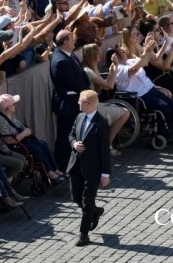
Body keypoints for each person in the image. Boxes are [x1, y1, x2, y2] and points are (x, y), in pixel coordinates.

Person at [68, 90, 111, 247]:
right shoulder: (79, 117)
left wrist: (105, 173)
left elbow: (105, 151)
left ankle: (83, 234)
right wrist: (74, 144)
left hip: (92, 169)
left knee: (87, 201)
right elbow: (71, 134)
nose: (78, 103)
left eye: (80, 101)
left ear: (88, 104)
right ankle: (95, 211)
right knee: (76, 198)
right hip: (76, 165)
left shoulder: (101, 124)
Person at [50, 29, 92, 171]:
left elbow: (81, 74)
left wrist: (86, 86)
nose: (75, 41)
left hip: (74, 102)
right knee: (65, 135)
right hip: (67, 105)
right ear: (65, 43)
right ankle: (63, 165)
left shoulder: (69, 54)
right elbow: (75, 82)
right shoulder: (61, 60)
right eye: (72, 39)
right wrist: (87, 90)